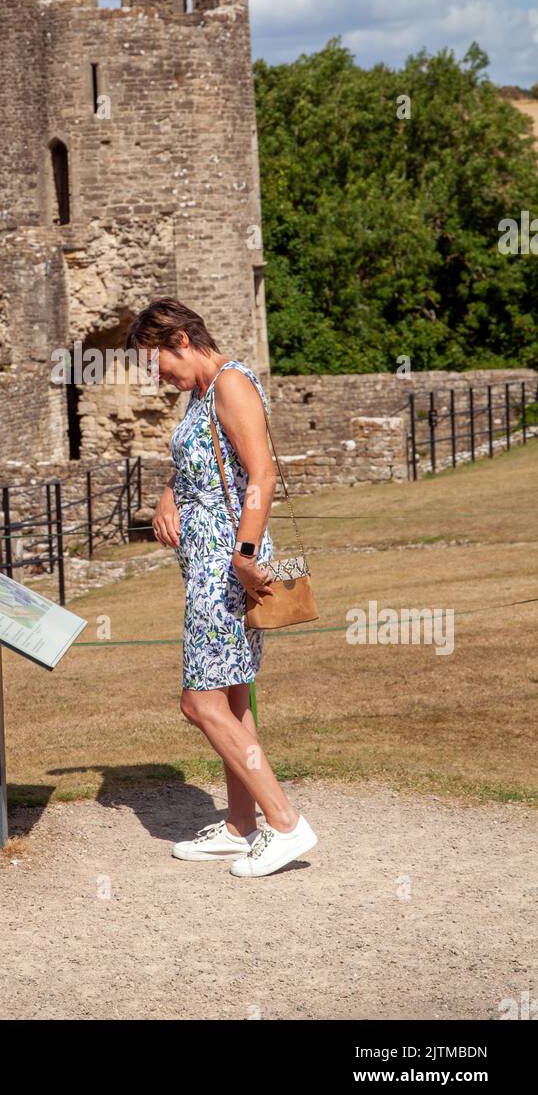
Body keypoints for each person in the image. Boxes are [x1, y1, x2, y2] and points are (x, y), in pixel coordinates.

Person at [126, 298, 318, 878]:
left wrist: (246, 555)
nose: (155, 375)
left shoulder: (232, 383)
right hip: (208, 563)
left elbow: (261, 473)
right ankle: (240, 826)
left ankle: (286, 823)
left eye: (156, 360)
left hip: (229, 568)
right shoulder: (201, 394)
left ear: (181, 338)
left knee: (200, 702)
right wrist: (168, 496)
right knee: (232, 699)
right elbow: (201, 465)